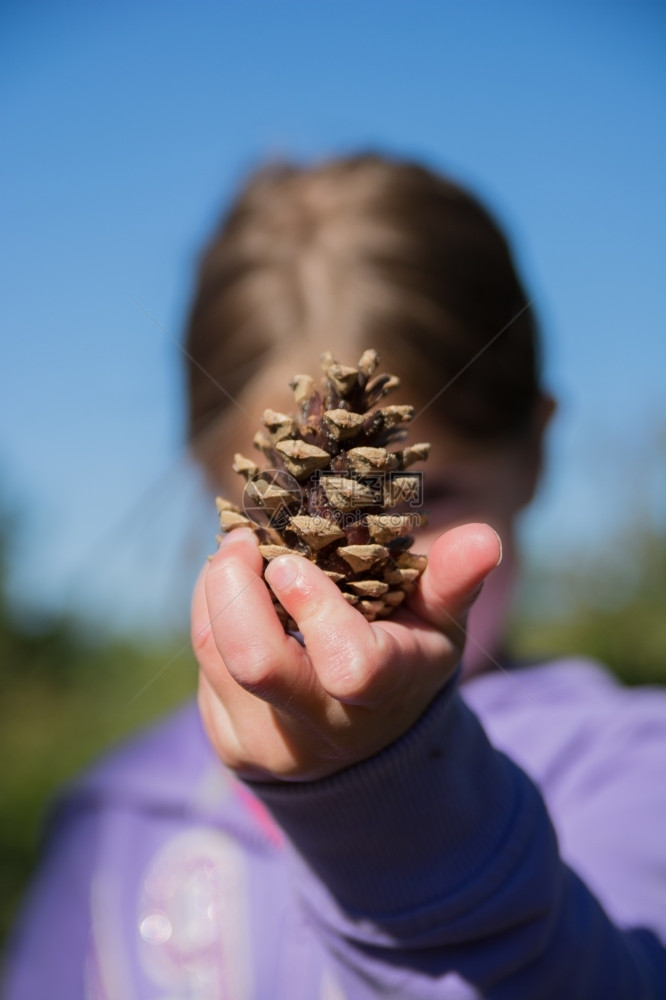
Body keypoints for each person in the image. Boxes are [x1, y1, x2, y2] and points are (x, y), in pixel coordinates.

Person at [3, 153, 665, 999]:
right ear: (216, 483)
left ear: (535, 452)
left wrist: (386, 801)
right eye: (290, 507)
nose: (347, 572)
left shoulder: (634, 771)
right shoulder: (109, 818)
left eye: (426, 494)